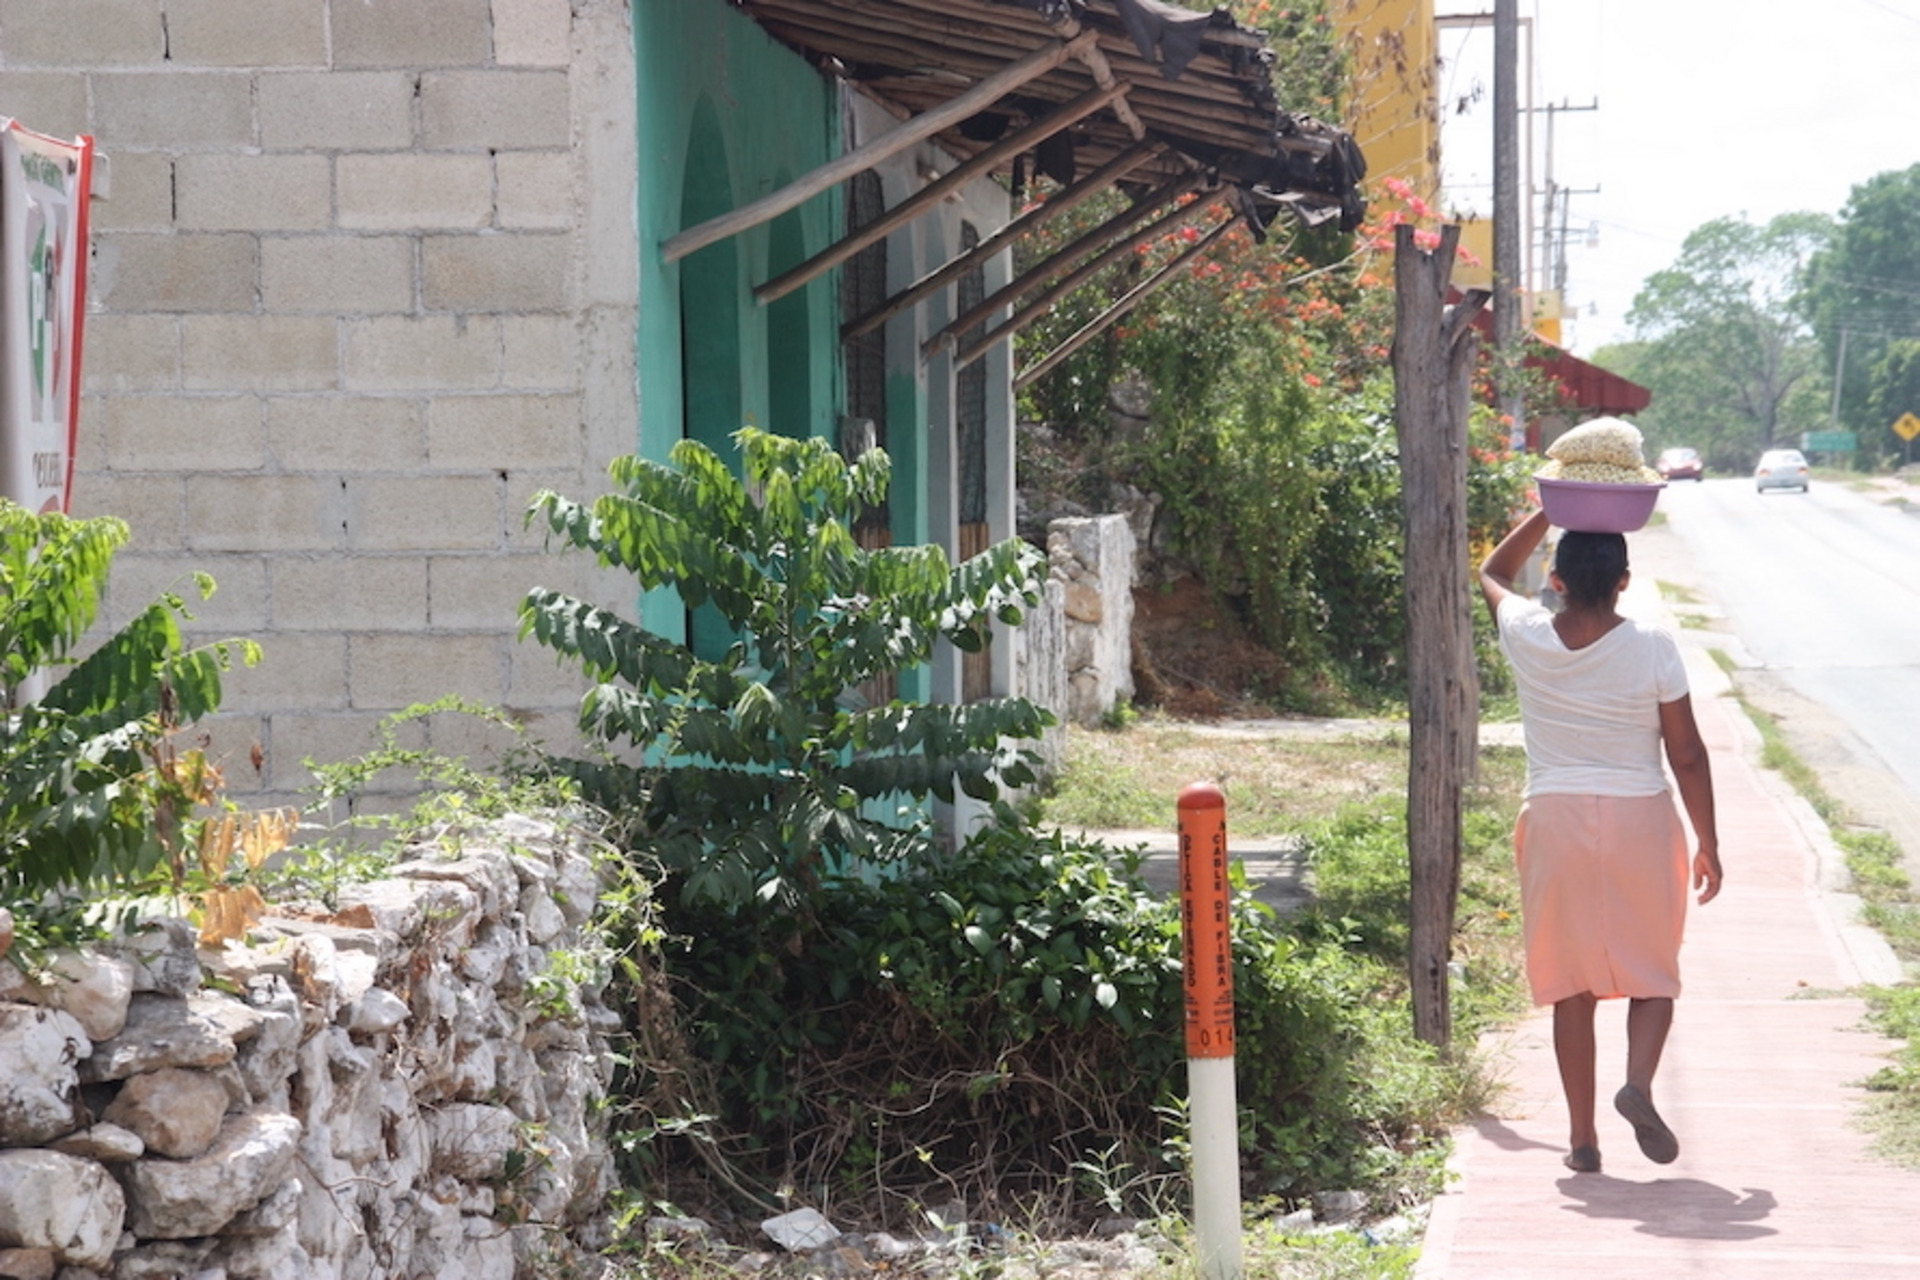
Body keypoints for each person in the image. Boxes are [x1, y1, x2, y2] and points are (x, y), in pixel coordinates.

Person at [1478, 509, 1723, 1175]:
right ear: (1624, 581)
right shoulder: (1652, 645)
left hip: (1554, 815)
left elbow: (1493, 572)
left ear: (1554, 581)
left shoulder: (1527, 631)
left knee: (1571, 985)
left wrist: (1548, 510)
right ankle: (1638, 1085)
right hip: (1641, 816)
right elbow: (1689, 754)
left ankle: (1583, 1139)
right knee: (1651, 970)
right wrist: (1709, 842)